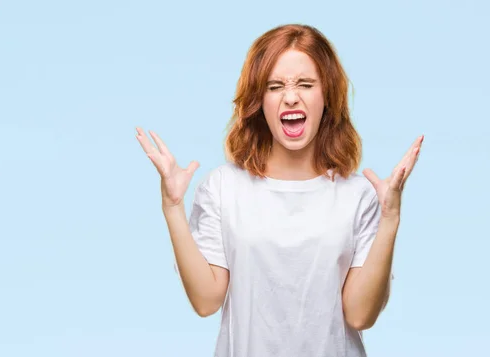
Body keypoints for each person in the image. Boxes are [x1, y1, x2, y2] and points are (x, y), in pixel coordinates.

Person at [136, 23, 422, 357]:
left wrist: (390, 218)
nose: (290, 97)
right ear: (259, 101)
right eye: (275, 86)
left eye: (305, 84)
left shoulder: (357, 194)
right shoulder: (223, 188)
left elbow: (360, 314)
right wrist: (172, 208)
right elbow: (205, 300)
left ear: (326, 95)